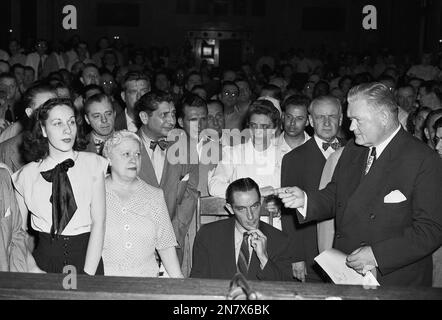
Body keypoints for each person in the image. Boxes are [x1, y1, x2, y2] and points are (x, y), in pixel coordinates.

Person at [276, 82, 442, 286]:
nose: (351, 127)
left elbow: (431, 229)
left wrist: (377, 255)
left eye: (357, 120)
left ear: (383, 117)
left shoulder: (423, 159)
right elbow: (336, 193)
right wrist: (306, 200)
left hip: (394, 278)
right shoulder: (354, 150)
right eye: (349, 119)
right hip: (346, 272)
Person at [12, 98, 108, 274]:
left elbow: (99, 223)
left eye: (71, 121)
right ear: (43, 129)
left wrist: (88, 273)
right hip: (43, 263)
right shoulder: (25, 175)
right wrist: (33, 268)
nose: (67, 129)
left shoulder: (94, 164)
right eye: (57, 123)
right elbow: (17, 232)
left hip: (86, 260)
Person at [101, 130, 183, 277]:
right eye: (126, 154)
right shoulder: (95, 192)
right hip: (104, 283)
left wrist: (180, 283)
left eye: (137, 154)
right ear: (109, 159)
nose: (134, 160)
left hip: (146, 283)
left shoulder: (154, 195)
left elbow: (166, 245)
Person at [281, 95, 344, 283]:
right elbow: (288, 212)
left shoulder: (355, 153)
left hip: (347, 250)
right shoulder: (294, 158)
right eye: (319, 117)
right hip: (310, 251)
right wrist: (296, 256)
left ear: (341, 119)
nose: (326, 122)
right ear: (310, 120)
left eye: (332, 116)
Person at [135, 90, 198, 265]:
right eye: (164, 115)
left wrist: (174, 234)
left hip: (173, 240)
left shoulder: (185, 145)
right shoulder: (126, 146)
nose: (171, 121)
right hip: (135, 243)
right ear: (144, 117)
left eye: (173, 114)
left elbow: (190, 194)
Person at [191, 178, 292, 281]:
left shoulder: (280, 240)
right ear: (230, 208)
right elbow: (198, 284)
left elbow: (286, 289)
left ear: (260, 203)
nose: (250, 216)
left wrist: (264, 259)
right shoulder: (207, 235)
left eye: (254, 206)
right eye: (242, 209)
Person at [208, 99, 281, 199]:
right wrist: (256, 193)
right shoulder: (233, 153)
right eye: (254, 126)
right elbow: (214, 187)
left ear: (274, 129)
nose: (258, 131)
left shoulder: (283, 156)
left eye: (264, 127)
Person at [0, 84, 56, 172]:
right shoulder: (6, 150)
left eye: (55, 107)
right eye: (44, 109)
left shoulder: (70, 145)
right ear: (30, 113)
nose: (52, 114)